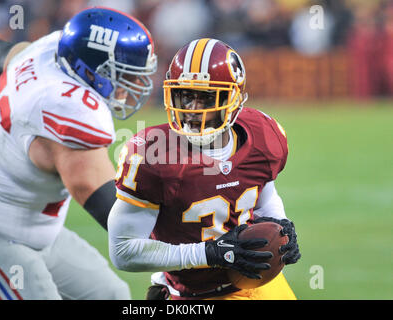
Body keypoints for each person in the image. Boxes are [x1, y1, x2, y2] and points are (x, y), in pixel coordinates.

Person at [0, 7, 157, 300]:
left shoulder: (43, 53)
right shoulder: (68, 108)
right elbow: (107, 202)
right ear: (90, 69)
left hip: (33, 227)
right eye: (121, 75)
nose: (127, 88)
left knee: (111, 295)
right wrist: (174, 252)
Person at [108, 38, 301, 300]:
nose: (192, 109)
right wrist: (209, 253)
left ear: (234, 99)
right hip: (196, 295)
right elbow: (123, 251)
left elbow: (264, 195)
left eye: (207, 96)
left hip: (258, 282)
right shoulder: (153, 155)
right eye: (186, 95)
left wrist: (280, 225)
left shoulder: (263, 135)